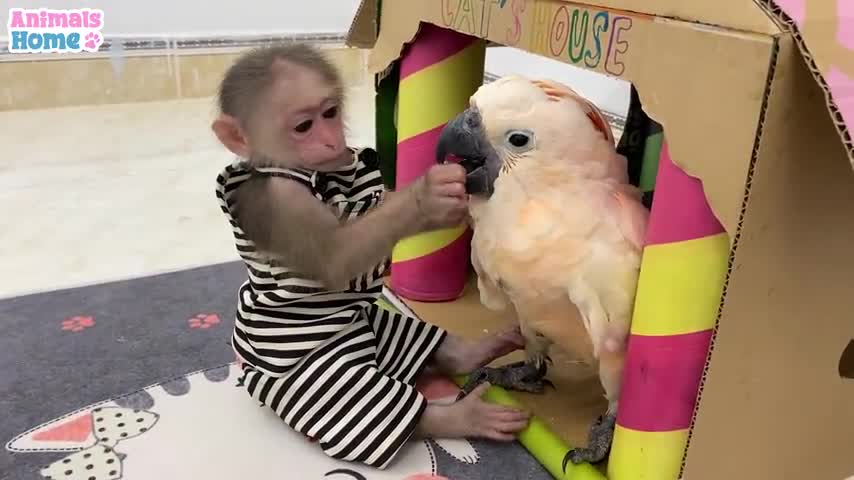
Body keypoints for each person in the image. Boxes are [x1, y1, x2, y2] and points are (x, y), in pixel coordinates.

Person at [210, 43, 530, 469]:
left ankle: (452, 354)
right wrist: (414, 205)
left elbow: (376, 218)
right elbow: (336, 259)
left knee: (389, 327)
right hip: (292, 346)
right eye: (303, 125)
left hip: (346, 316)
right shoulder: (266, 192)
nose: (329, 136)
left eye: (331, 112)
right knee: (337, 391)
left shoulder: (336, 167)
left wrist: (440, 211)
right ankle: (435, 419)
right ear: (240, 138)